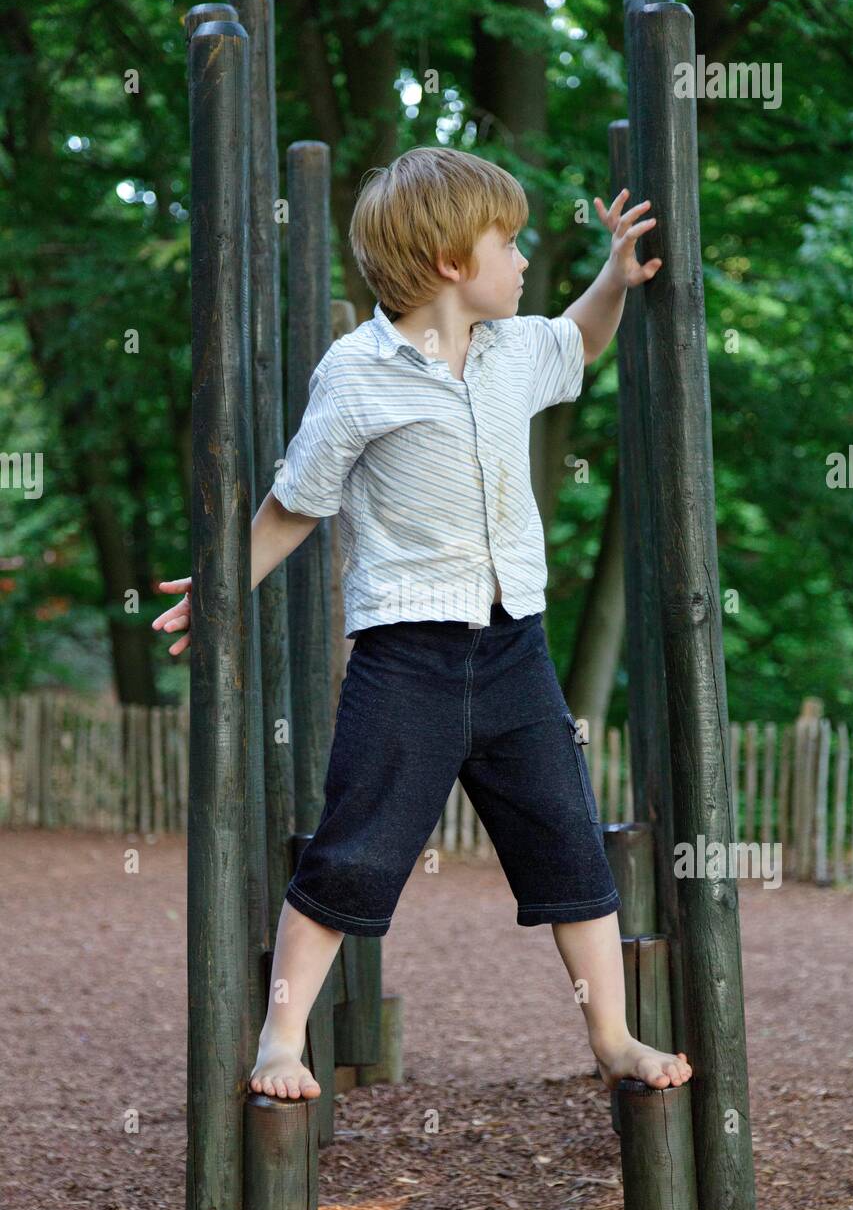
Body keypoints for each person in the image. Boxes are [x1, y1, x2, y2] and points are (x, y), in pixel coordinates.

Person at [154, 146, 691, 1101]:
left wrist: (614, 278)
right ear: (450, 260)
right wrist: (217, 587)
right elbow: (293, 507)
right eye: (509, 241)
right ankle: (283, 1040)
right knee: (353, 853)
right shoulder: (357, 376)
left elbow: (581, 339)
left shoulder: (515, 348)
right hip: (407, 660)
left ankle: (612, 1038)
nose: (524, 260)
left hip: (515, 650)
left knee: (568, 841)